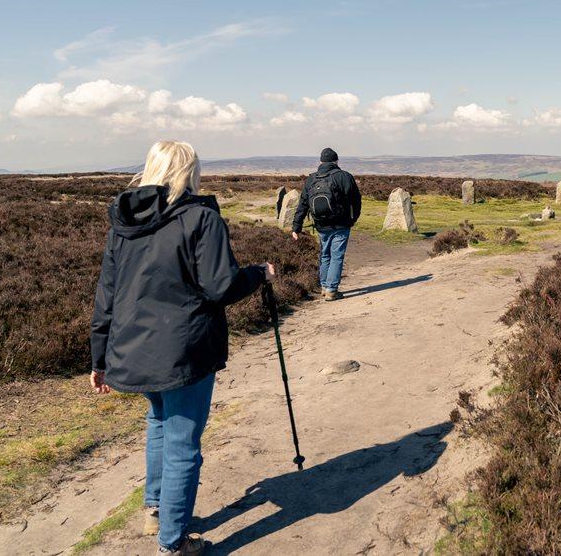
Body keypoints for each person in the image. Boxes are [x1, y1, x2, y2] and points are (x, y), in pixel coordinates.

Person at [90, 140, 275, 555]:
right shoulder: (200, 218)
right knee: (182, 445)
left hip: (134, 350)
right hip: (184, 351)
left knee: (158, 424)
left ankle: (155, 509)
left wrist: (99, 357)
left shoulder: (123, 223)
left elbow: (107, 294)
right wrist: (258, 274)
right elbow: (221, 286)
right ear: (188, 172)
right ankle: (172, 543)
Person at [291, 147, 362, 301]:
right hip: (341, 224)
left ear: (321, 161)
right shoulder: (344, 177)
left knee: (325, 255)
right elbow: (356, 200)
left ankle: (324, 286)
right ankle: (331, 290)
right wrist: (353, 218)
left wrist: (296, 227)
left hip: (321, 224)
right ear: (336, 160)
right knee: (337, 256)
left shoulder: (311, 179)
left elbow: (303, 204)